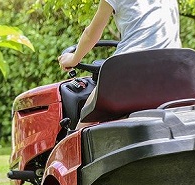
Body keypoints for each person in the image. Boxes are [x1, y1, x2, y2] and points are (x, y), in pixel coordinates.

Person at [58, 0, 182, 129]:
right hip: (174, 72)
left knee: (87, 119)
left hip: (130, 71)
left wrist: (73, 59)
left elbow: (91, 34)